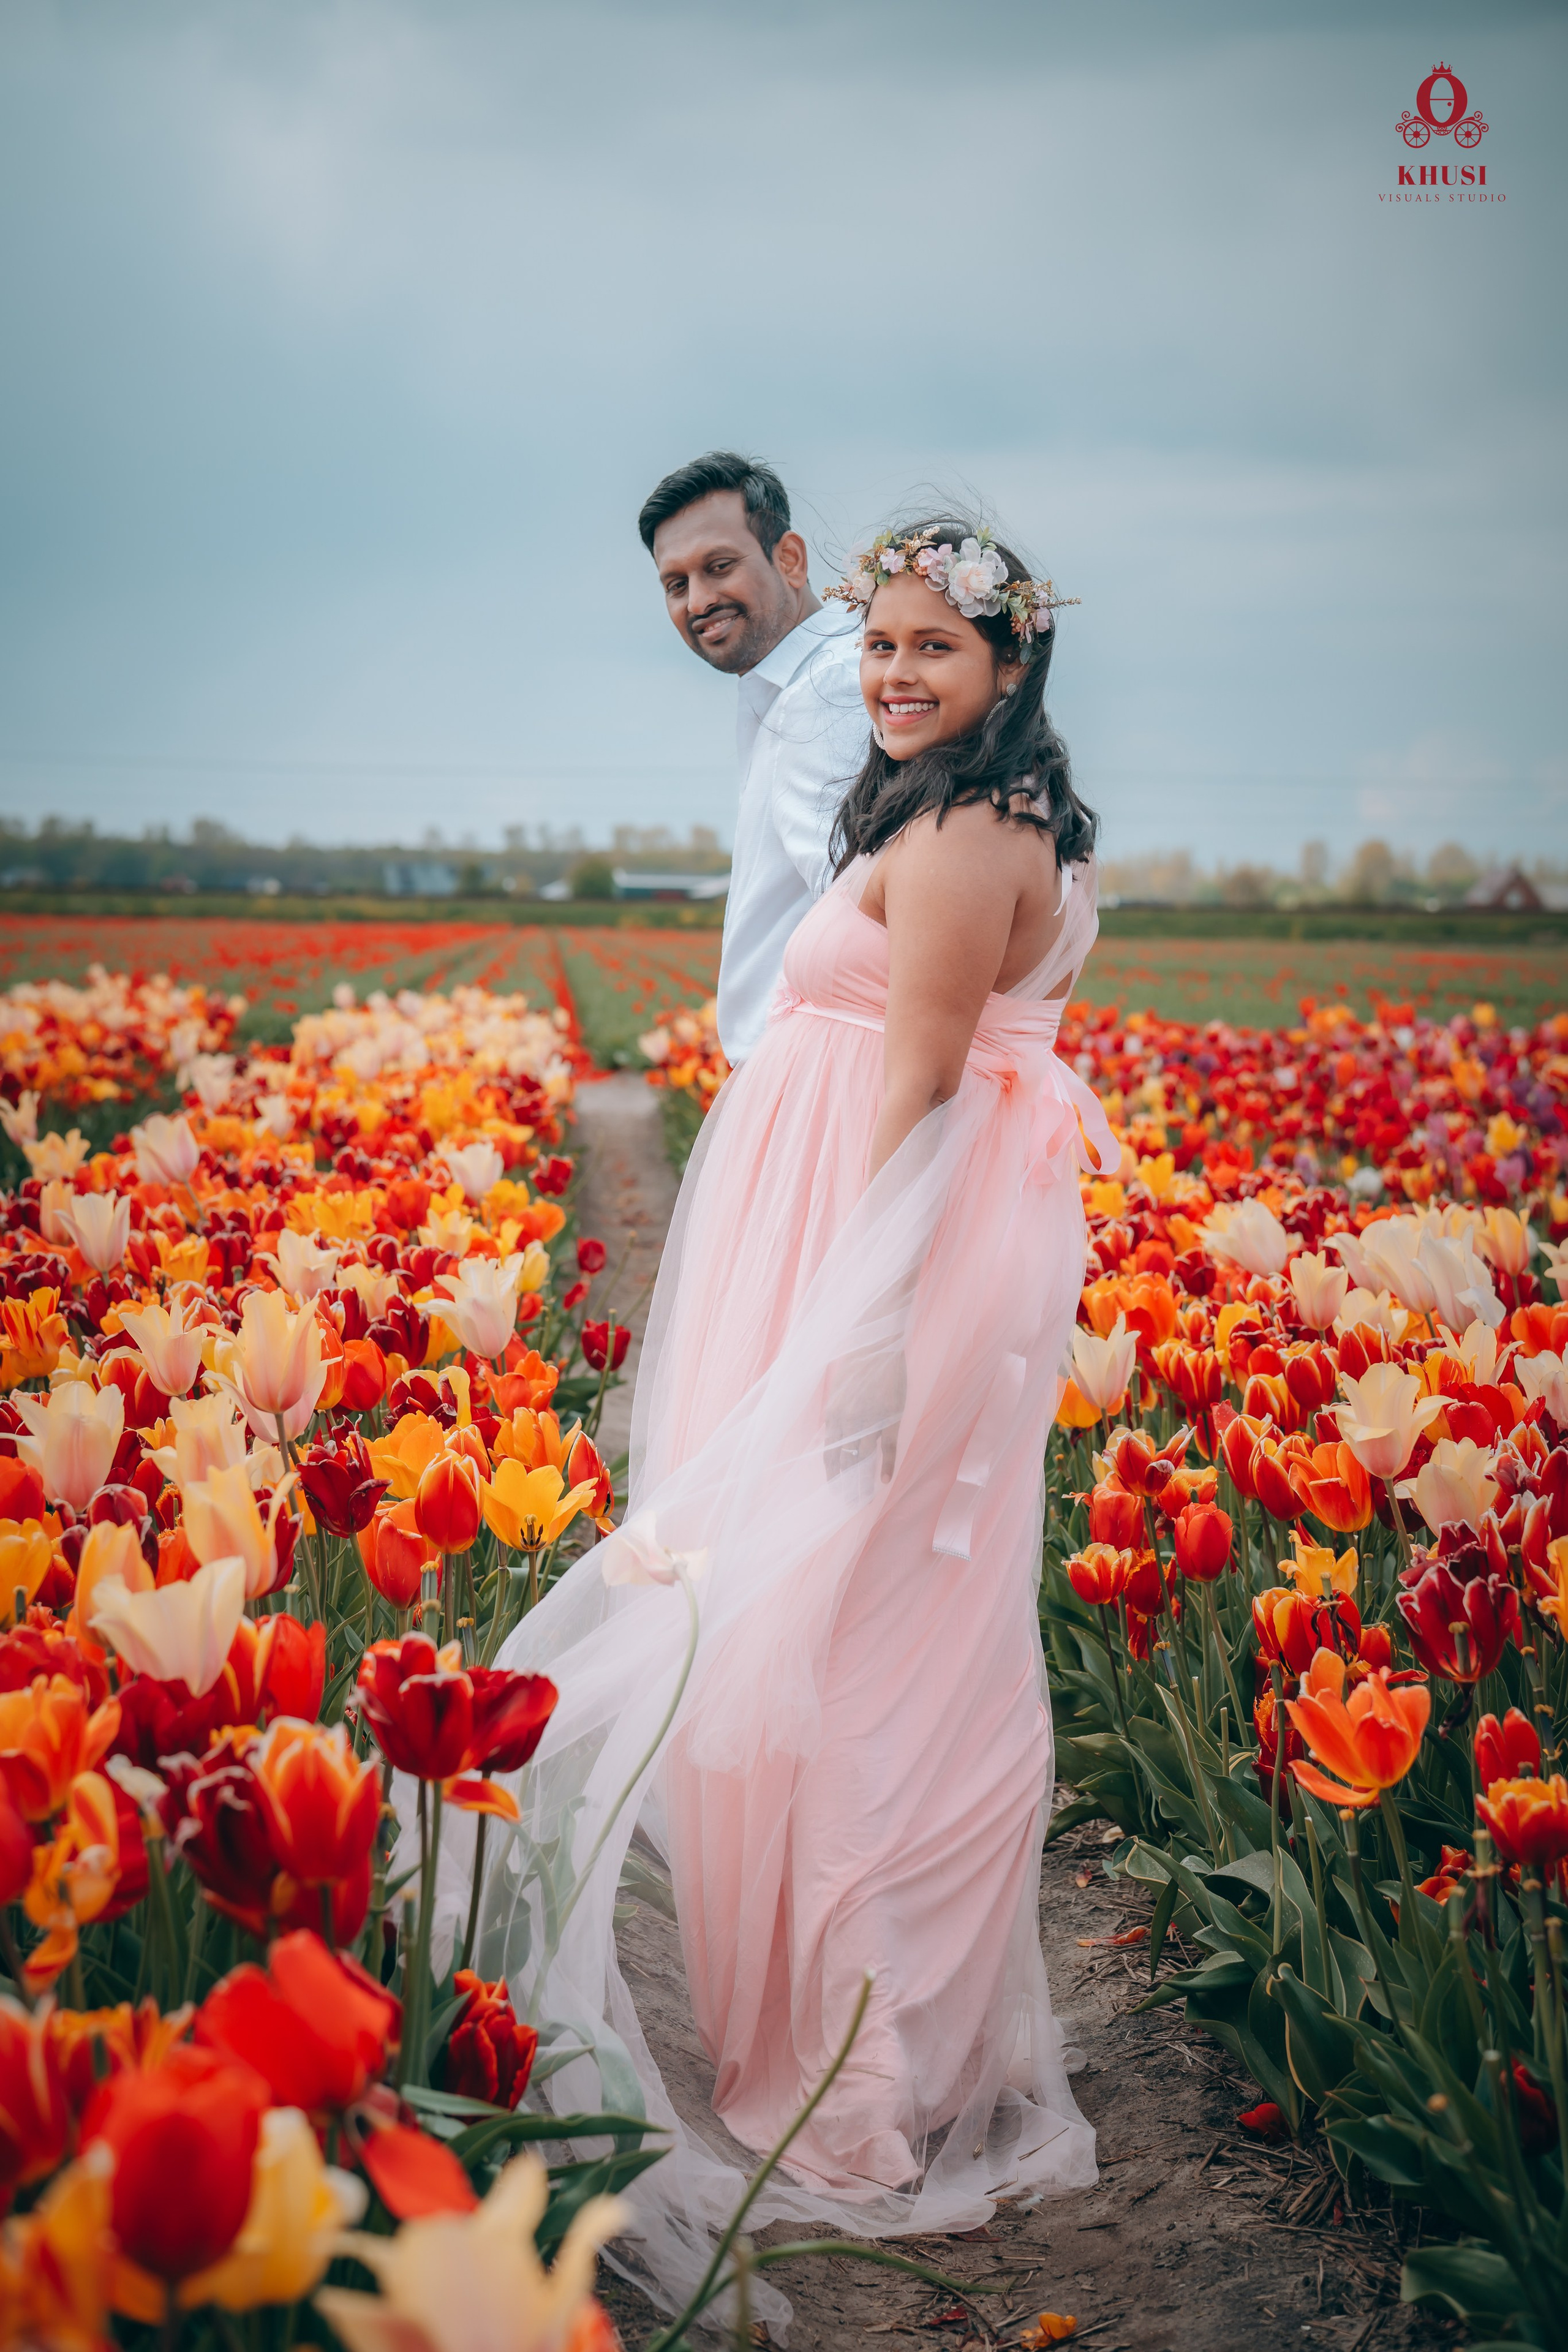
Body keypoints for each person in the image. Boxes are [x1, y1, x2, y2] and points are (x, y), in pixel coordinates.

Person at [470, 510, 1110, 2332]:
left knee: (848, 1658)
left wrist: (861, 1336)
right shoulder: (928, 807)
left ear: (1009, 666)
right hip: (840, 1244)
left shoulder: (983, 830)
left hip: (886, 1269)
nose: (899, 675)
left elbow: (912, 1086)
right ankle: (862, 2064)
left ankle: (855, 2099)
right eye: (884, 644)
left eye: (937, 649)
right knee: (830, 1643)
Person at [638, 451, 867, 1065]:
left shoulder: (833, 691)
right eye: (676, 584)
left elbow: (868, 913)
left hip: (818, 1074)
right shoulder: (788, 684)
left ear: (788, 559)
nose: (698, 601)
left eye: (719, 567)